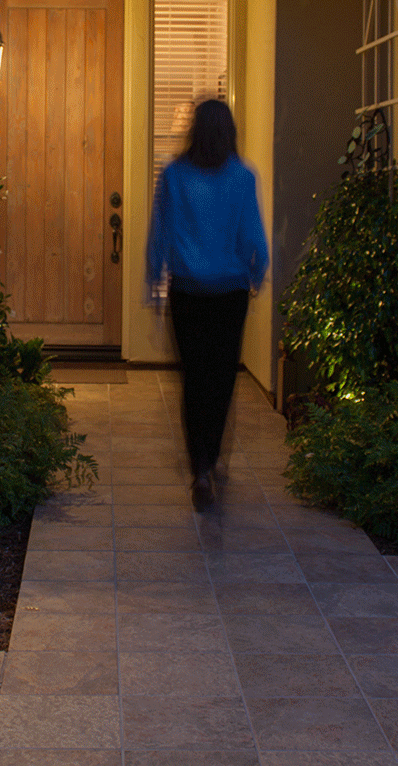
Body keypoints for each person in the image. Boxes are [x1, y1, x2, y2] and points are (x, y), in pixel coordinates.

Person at [145, 98, 269, 511]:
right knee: (221, 380)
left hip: (188, 291)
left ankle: (199, 466)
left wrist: (153, 279)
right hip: (230, 292)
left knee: (193, 379)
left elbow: (160, 232)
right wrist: (258, 271)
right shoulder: (242, 176)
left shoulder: (175, 175)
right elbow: (253, 232)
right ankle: (210, 460)